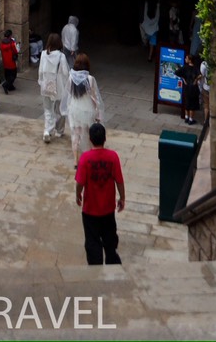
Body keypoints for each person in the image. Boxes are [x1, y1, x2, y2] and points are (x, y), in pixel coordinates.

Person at [75, 121, 125, 266]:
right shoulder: (113, 157)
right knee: (110, 240)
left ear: (90, 139)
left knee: (92, 242)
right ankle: (112, 263)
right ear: (105, 138)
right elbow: (119, 180)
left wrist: (78, 194)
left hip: (90, 210)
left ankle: (95, 268)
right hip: (108, 209)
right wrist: (122, 197)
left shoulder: (85, 158)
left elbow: (80, 183)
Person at [64, 51, 104, 158]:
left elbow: (68, 95)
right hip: (87, 111)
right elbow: (95, 98)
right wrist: (98, 112)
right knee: (88, 134)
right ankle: (88, 156)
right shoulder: (90, 79)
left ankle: (76, 160)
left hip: (74, 110)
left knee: (75, 135)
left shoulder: (71, 78)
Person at [38, 32, 69, 143]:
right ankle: (59, 130)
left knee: (48, 109)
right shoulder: (61, 56)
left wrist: (41, 81)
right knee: (60, 110)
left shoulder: (43, 54)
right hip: (58, 86)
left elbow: (40, 71)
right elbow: (65, 72)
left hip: (46, 85)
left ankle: (47, 130)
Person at [179, 53, 201, 126]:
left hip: (186, 87)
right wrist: (196, 80)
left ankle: (186, 117)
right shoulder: (195, 68)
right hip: (193, 87)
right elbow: (200, 75)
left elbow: (177, 72)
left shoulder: (185, 68)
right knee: (192, 103)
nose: (185, 59)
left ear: (190, 60)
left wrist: (183, 79)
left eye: (186, 58)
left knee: (187, 102)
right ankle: (191, 119)